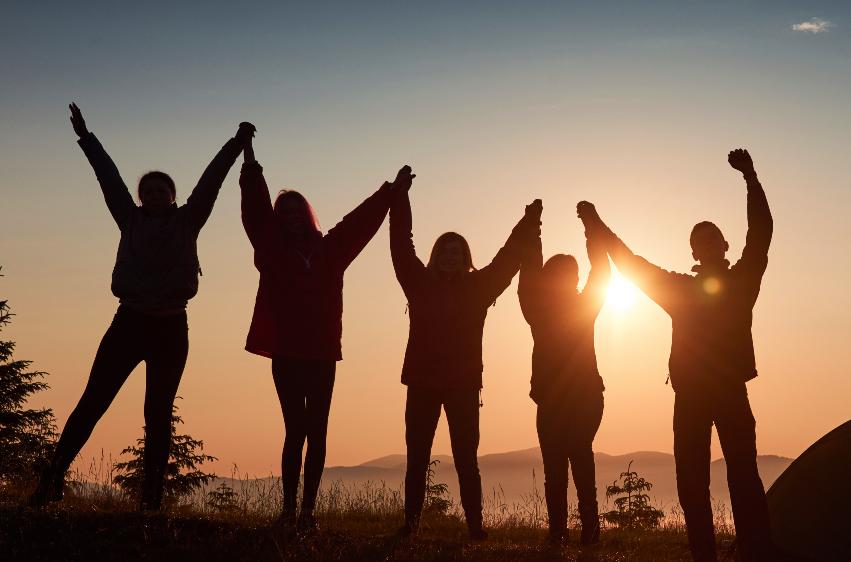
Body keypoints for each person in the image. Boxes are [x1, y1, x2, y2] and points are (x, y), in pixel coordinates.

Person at [30, 104, 252, 510]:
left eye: (159, 190)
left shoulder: (190, 219)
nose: (152, 196)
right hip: (128, 323)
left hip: (171, 328)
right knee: (92, 403)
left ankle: (150, 500)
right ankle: (52, 480)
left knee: (158, 415)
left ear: (172, 196)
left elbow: (211, 181)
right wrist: (87, 138)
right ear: (139, 198)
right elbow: (108, 178)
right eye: (146, 191)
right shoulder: (128, 219)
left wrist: (235, 145)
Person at [579, 149, 773, 561]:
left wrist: (751, 179)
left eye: (712, 237)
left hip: (731, 390)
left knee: (743, 474)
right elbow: (632, 264)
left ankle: (755, 550)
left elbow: (762, 232)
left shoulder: (742, 281)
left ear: (724, 245)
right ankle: (703, 552)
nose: (706, 243)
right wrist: (595, 224)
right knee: (690, 480)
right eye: (698, 240)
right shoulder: (680, 291)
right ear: (694, 251)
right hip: (690, 396)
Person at [239, 133, 402, 532]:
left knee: (318, 430)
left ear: (306, 214)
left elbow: (358, 223)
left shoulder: (330, 250)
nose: (291, 217)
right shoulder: (270, 250)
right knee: (295, 429)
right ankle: (288, 510)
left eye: (297, 211)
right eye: (285, 212)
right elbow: (255, 209)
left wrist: (389, 193)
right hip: (286, 353)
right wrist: (249, 159)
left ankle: (308, 512)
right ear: (279, 219)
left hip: (323, 354)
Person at [389, 169, 539, 541]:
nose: (451, 257)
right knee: (417, 459)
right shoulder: (417, 282)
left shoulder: (478, 287)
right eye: (445, 251)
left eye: (457, 252)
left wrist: (528, 221)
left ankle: (475, 529)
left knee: (467, 461)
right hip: (422, 383)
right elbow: (400, 243)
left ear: (466, 257)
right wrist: (399, 197)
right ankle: (411, 526)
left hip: (462, 385)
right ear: (435, 256)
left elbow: (507, 260)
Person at [517, 200, 610, 545]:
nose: (568, 278)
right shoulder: (537, 310)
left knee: (577, 457)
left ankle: (587, 530)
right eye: (562, 273)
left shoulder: (584, 307)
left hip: (585, 398)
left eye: (571, 274)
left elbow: (601, 272)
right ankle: (560, 531)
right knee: (557, 467)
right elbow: (529, 270)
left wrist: (590, 226)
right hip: (554, 400)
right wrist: (533, 226)